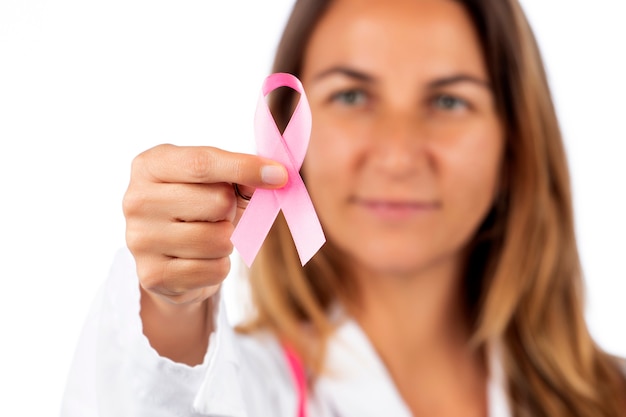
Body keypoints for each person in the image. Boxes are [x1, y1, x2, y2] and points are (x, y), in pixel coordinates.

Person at [60, 0, 626, 416]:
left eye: (449, 100)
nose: (399, 154)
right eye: (351, 96)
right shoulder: (249, 393)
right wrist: (170, 305)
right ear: (286, 134)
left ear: (515, 142)